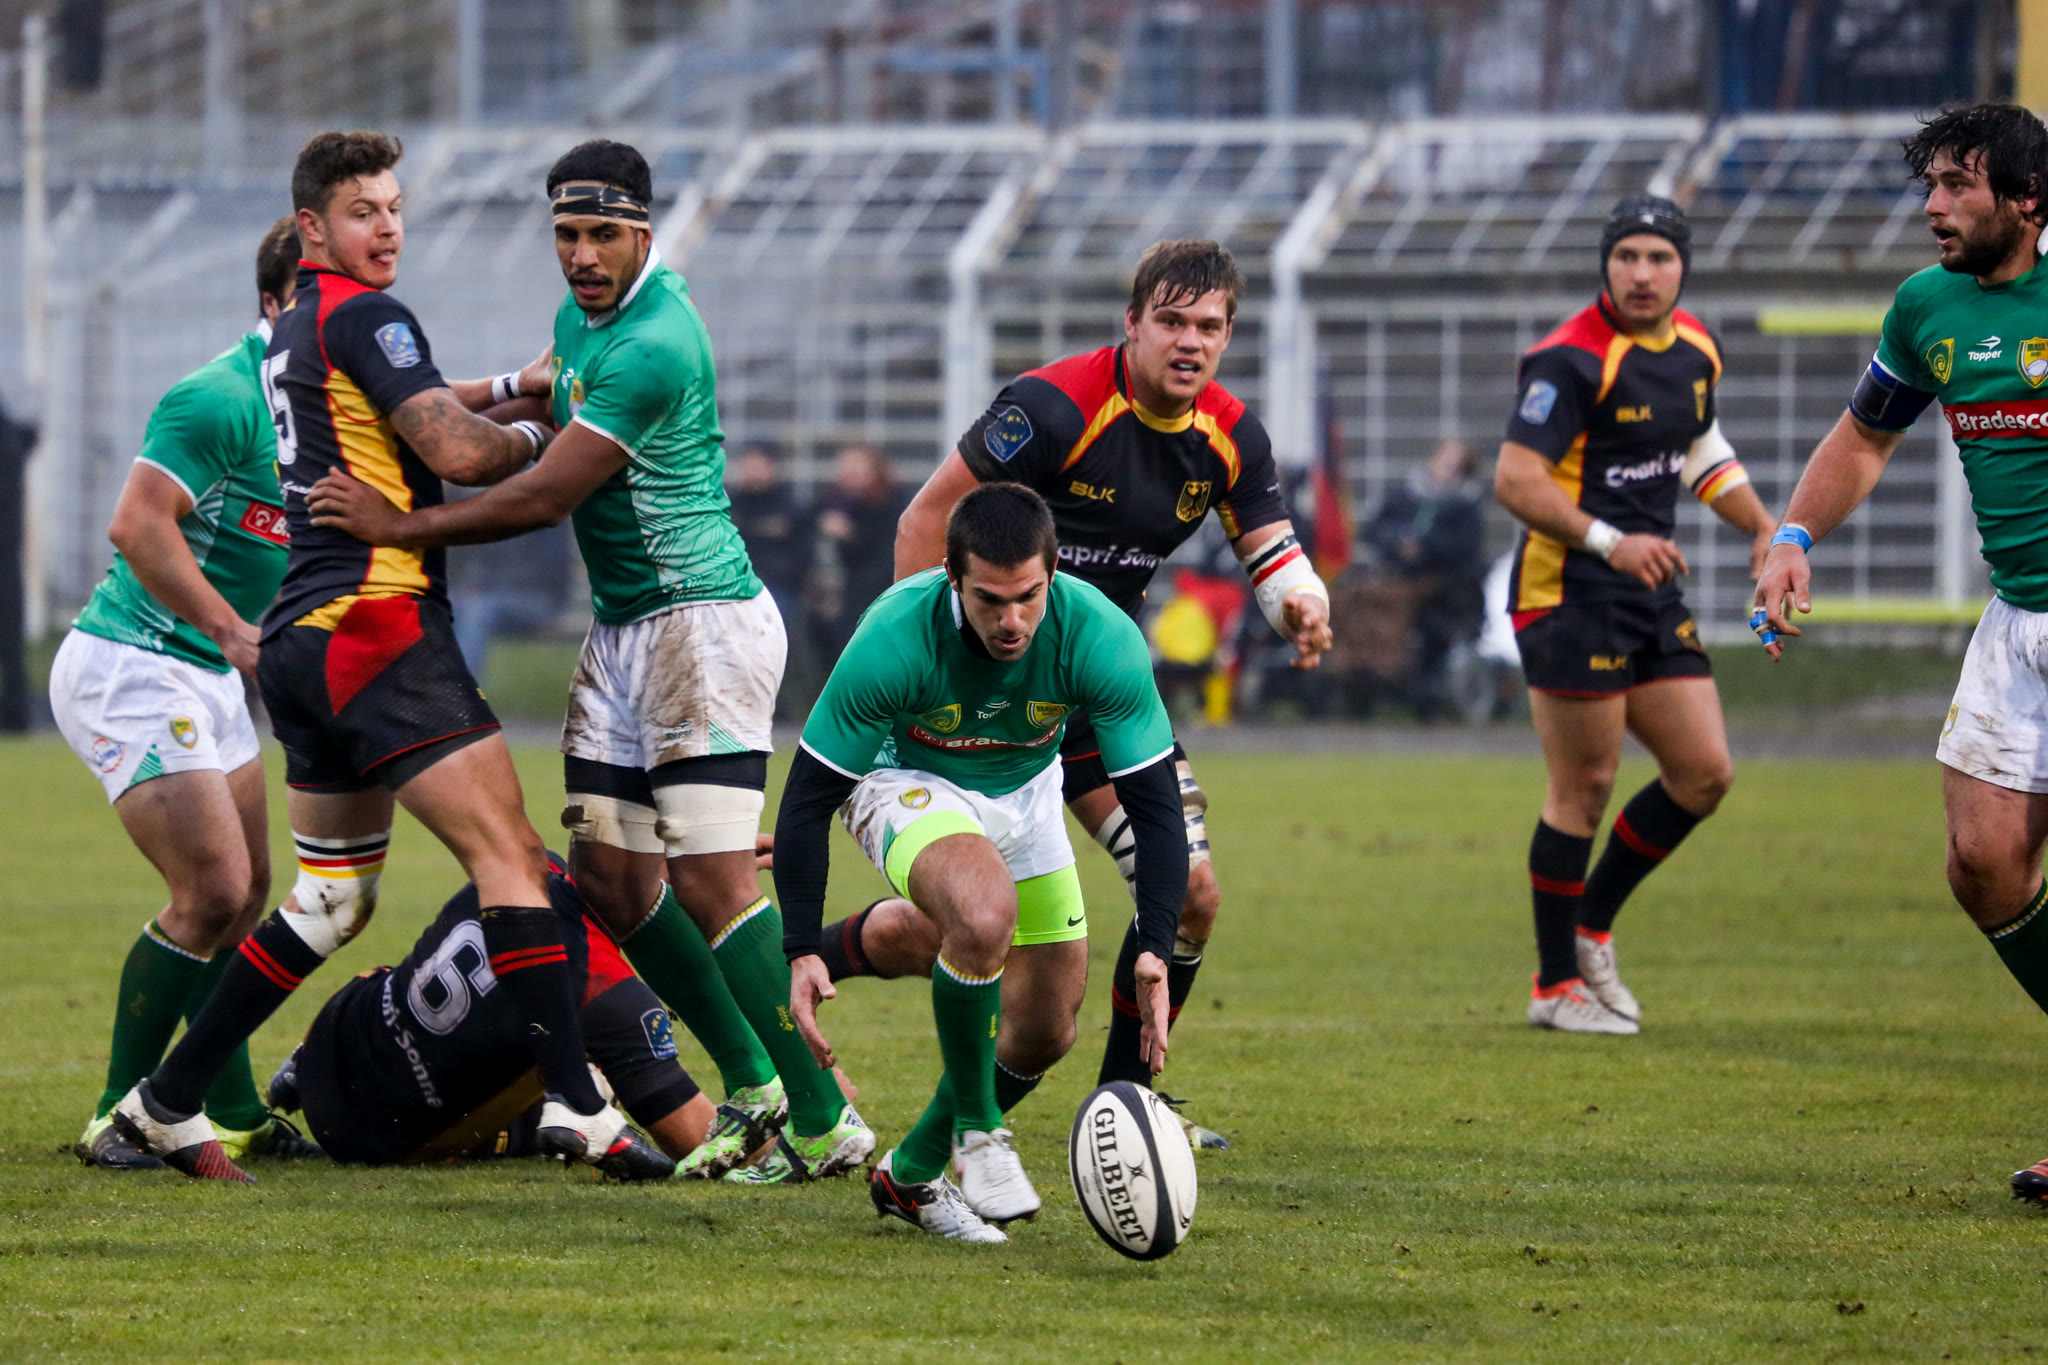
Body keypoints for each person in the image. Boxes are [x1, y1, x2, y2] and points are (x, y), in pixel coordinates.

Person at [307, 138, 870, 1184]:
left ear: (643, 233)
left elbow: (544, 496)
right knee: (611, 878)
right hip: (623, 634)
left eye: (602, 233)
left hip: (700, 626)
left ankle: (825, 1117)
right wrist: (424, 410)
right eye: (566, 233)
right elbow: (537, 408)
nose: (580, 255)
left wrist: (401, 524)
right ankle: (753, 1084)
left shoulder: (656, 342)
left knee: (708, 878)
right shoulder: (583, 320)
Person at [114, 130, 634, 1183]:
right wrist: (553, 433)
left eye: (394, 208)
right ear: (311, 227)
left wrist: (512, 388)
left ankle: (163, 1102)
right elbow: (455, 450)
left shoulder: (294, 326)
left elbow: (405, 420)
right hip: (374, 621)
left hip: (304, 641)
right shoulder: (365, 314)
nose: (387, 228)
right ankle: (579, 1105)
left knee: (331, 900)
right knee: (509, 857)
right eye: (363, 212)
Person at [829, 239, 1332, 1149]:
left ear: (1228, 335)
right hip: (987, 693)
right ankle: (812, 963)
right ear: (1132, 324)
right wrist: (925, 679)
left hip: (1094, 696)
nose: (1189, 341)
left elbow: (1270, 544)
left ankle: (1125, 1104)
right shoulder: (1052, 408)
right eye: (1170, 321)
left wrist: (1300, 600)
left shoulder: (1232, 435)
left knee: (1193, 892)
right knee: (974, 921)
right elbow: (924, 522)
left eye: (1208, 326)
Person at [1750, 104, 2048, 1200]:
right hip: (2016, 621)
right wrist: (1791, 537)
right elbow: (1866, 435)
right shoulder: (1926, 307)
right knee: (1981, 862)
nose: (1932, 206)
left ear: (2025, 199)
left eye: (1958, 184)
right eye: (1929, 184)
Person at [773, 484, 1189, 1242]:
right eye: (989, 600)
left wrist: (1156, 945)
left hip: (1027, 789)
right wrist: (800, 946)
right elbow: (805, 798)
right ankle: (978, 1132)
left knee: (1046, 1027)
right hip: (903, 782)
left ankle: (910, 1175)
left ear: (1053, 574)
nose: (1011, 620)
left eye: (1028, 597)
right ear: (952, 578)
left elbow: (1158, 808)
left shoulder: (1101, 635)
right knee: (984, 911)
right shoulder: (895, 635)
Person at [52, 218, 316, 1171]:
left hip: (203, 675)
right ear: (273, 304)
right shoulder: (219, 397)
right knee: (210, 891)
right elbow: (136, 524)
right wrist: (231, 630)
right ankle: (116, 1114)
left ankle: (233, 1107)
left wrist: (516, 389)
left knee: (247, 895)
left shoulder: (321, 405)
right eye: (314, 298)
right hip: (133, 661)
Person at [1493, 195, 1775, 1035]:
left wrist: (1763, 526)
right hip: (1567, 589)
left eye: (1659, 257)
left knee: (1704, 772)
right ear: (1606, 265)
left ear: (1683, 267)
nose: (1642, 273)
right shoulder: (1569, 360)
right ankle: (1553, 986)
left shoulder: (1696, 349)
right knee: (1583, 789)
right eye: (1627, 257)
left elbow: (1699, 448)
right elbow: (1515, 479)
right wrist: (1612, 541)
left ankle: (1590, 927)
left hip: (1648, 587)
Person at [267, 855, 686, 1179]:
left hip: (331, 1039)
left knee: (412, 975)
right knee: (586, 1083)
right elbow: (696, 1140)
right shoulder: (614, 996)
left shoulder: (529, 865)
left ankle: (298, 1065)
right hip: (377, 1139)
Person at [1361, 437, 1488, 718]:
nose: (1446, 469)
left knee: (1429, 624)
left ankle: (1426, 691)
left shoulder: (1465, 506)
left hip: (1439, 587)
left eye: (1455, 465)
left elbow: (1466, 548)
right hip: (1393, 581)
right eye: (1444, 461)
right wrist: (1398, 543)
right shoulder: (1403, 496)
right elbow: (1372, 530)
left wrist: (1425, 547)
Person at [814, 442, 907, 661]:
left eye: (857, 466)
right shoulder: (835, 503)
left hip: (882, 587)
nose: (850, 472)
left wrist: (849, 536)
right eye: (845, 466)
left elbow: (884, 558)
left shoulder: (893, 504)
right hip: (841, 586)